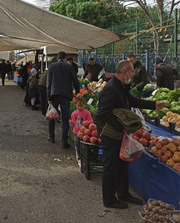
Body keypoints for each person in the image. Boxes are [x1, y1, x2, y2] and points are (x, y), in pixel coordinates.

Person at [97, 60, 166, 209]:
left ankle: (123, 194)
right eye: (132, 72)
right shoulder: (111, 88)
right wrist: (119, 127)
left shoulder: (121, 86)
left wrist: (154, 105)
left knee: (122, 165)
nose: (133, 75)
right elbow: (104, 112)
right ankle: (108, 200)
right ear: (125, 72)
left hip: (120, 134)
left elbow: (132, 100)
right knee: (111, 167)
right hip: (111, 135)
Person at [47, 51, 80, 149]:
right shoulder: (69, 66)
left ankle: (51, 137)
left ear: (58, 58)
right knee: (65, 119)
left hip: (54, 94)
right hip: (66, 96)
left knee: (52, 116)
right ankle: (64, 141)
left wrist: (49, 97)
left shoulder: (52, 66)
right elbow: (76, 81)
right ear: (65, 58)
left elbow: (48, 83)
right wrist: (77, 92)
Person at [70, 97, 93, 165]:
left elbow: (91, 121)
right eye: (78, 106)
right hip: (76, 132)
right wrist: (71, 123)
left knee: (83, 145)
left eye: (81, 106)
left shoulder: (87, 113)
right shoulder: (74, 114)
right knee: (77, 145)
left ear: (84, 105)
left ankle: (84, 158)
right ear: (76, 105)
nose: (79, 107)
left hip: (84, 132)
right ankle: (79, 158)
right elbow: (74, 123)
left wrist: (86, 123)